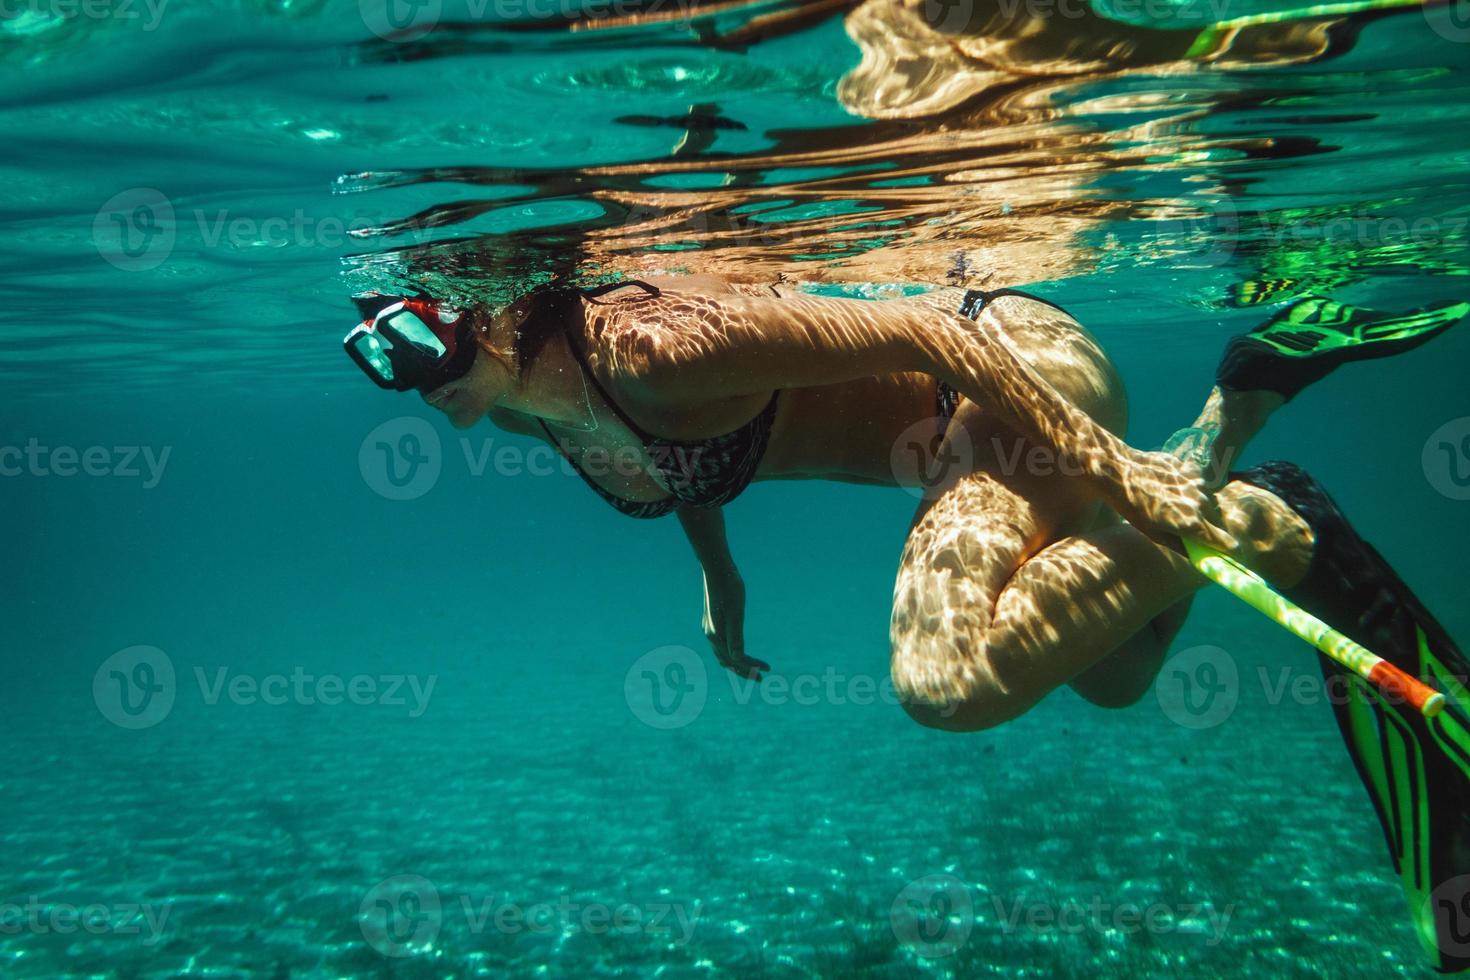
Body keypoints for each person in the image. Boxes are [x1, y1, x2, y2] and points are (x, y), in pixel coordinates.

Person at [344, 276, 1470, 967]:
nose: (405, 375)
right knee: (1112, 669)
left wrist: (1127, 476)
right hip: (962, 431)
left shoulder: (651, 342)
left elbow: (935, 335)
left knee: (950, 674)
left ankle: (1250, 484)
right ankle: (1257, 446)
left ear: (481, 303)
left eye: (410, 336)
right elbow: (666, 459)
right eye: (374, 353)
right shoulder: (521, 407)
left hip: (1005, 368)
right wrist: (721, 584)